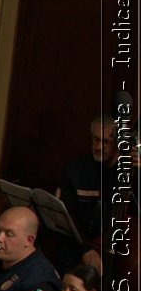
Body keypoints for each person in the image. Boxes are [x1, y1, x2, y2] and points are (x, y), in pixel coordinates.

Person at [56, 116, 118, 272]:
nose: (98, 146)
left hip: (115, 254)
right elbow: (68, 218)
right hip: (77, 246)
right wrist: (84, 250)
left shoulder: (129, 173)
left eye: (105, 142)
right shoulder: (74, 171)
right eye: (95, 140)